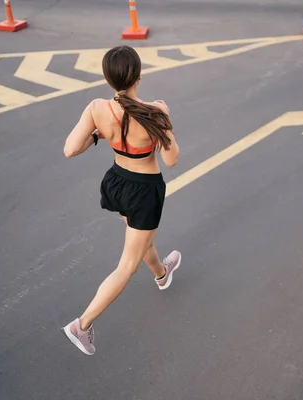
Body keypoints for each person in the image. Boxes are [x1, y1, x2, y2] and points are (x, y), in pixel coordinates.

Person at [60, 45, 182, 356]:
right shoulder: (155, 113)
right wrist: (165, 120)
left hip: (116, 183)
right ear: (139, 77)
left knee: (141, 241)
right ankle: (82, 325)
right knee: (127, 264)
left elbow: (71, 149)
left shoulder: (97, 107)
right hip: (143, 191)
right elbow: (171, 160)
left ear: (109, 78)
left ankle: (161, 273)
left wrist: (100, 134)